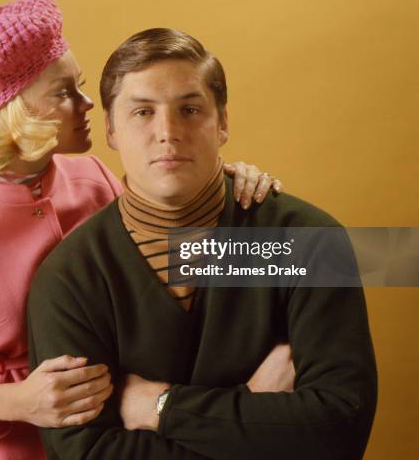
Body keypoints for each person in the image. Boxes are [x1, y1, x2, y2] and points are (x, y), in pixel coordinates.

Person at [0, 0, 281, 460]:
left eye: (81, 85)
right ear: (17, 113)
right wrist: (14, 401)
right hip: (12, 449)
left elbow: (164, 252)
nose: (89, 103)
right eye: (63, 93)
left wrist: (224, 183)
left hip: (120, 433)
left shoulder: (92, 177)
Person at [27, 28, 378, 460]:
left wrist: (159, 406)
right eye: (142, 112)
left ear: (223, 122)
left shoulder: (304, 244)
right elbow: (83, 453)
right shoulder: (70, 276)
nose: (168, 133)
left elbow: (338, 433)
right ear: (111, 130)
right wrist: (252, 409)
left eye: (190, 109)